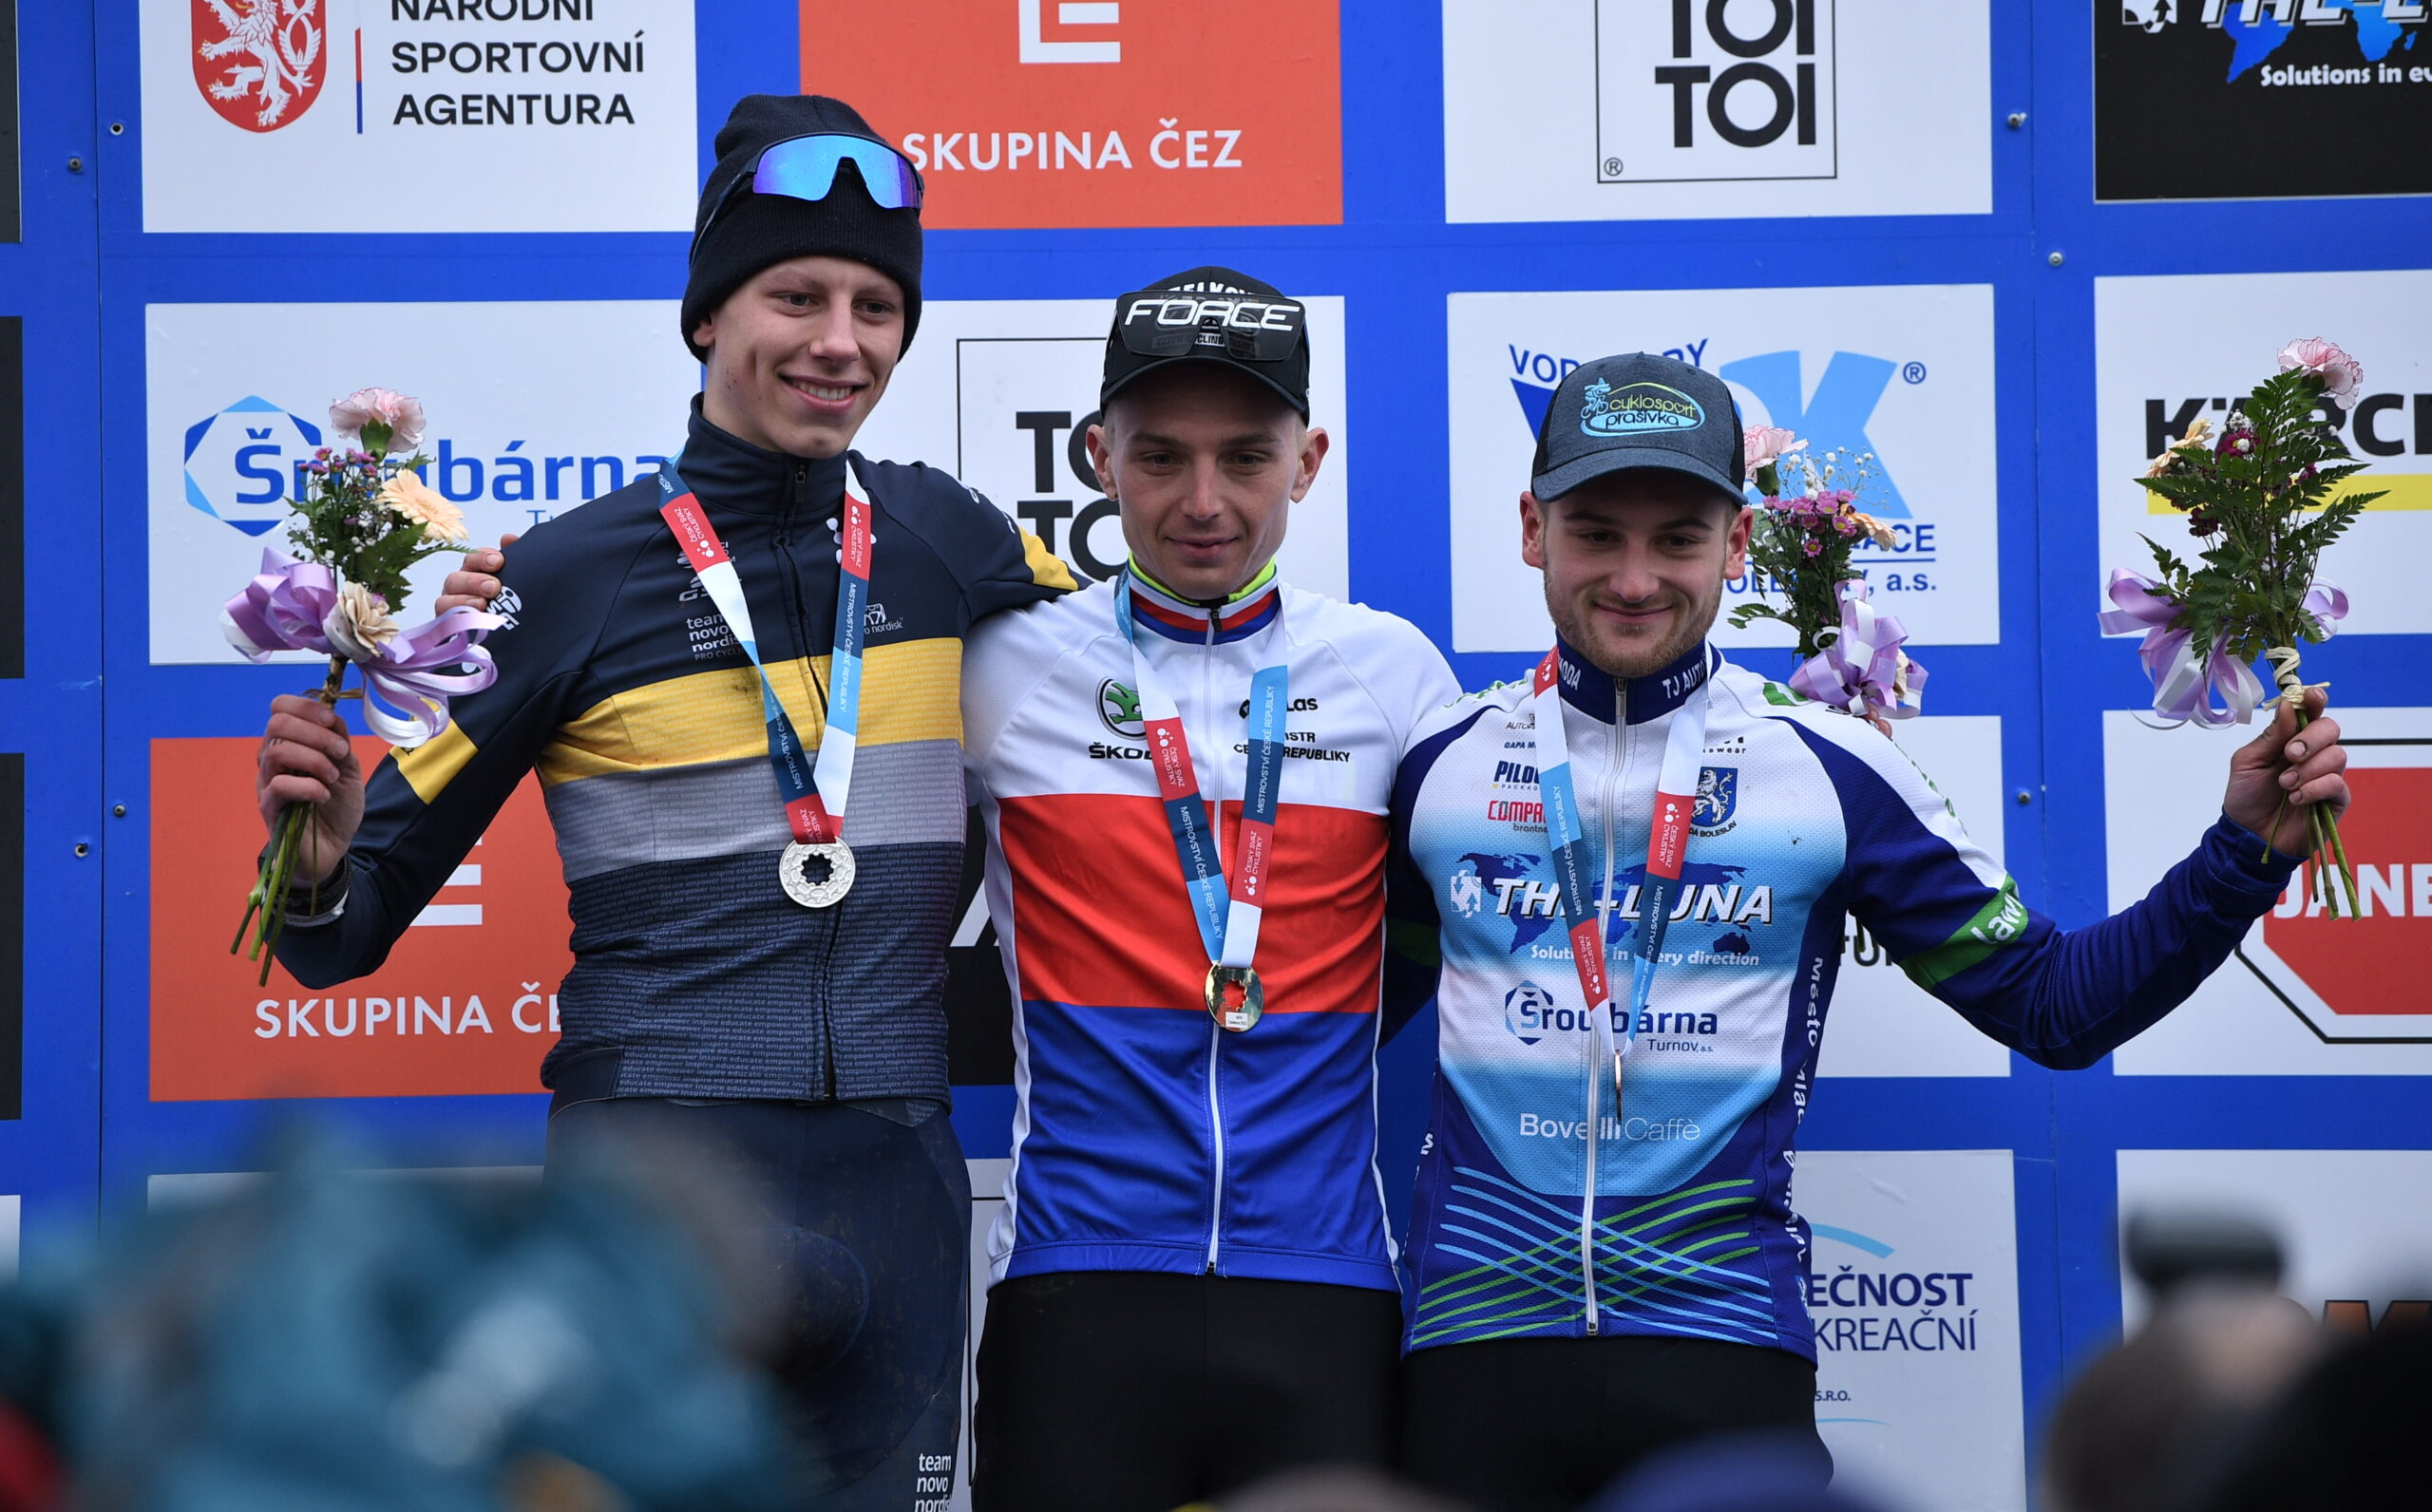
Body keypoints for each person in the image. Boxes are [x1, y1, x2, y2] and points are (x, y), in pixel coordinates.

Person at [255, 93, 1074, 1506]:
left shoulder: (950, 541)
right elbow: (339, 934)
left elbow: (1150, 683)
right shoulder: (560, 576)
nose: (840, 341)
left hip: (897, 1175)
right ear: (705, 316)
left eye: (877, 306)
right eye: (796, 296)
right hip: (653, 1182)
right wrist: (317, 864)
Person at [1384, 353, 2351, 1511]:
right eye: (1596, 534)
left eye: (1677, 539)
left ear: (1737, 545)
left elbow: (2053, 1007)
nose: (1634, 579)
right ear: (1531, 531)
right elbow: (1329, 1021)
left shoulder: (1829, 767)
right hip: (1471, 1342)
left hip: (1723, 1347)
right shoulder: (1440, 767)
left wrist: (2240, 857)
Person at [955, 269, 1457, 1511]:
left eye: (1245, 458)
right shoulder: (1005, 664)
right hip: (1075, 1278)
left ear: (1308, 461)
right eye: (1160, 457)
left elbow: (1524, 881)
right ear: (1098, 457)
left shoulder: (1392, 675)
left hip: (1324, 1285)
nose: (1202, 501)